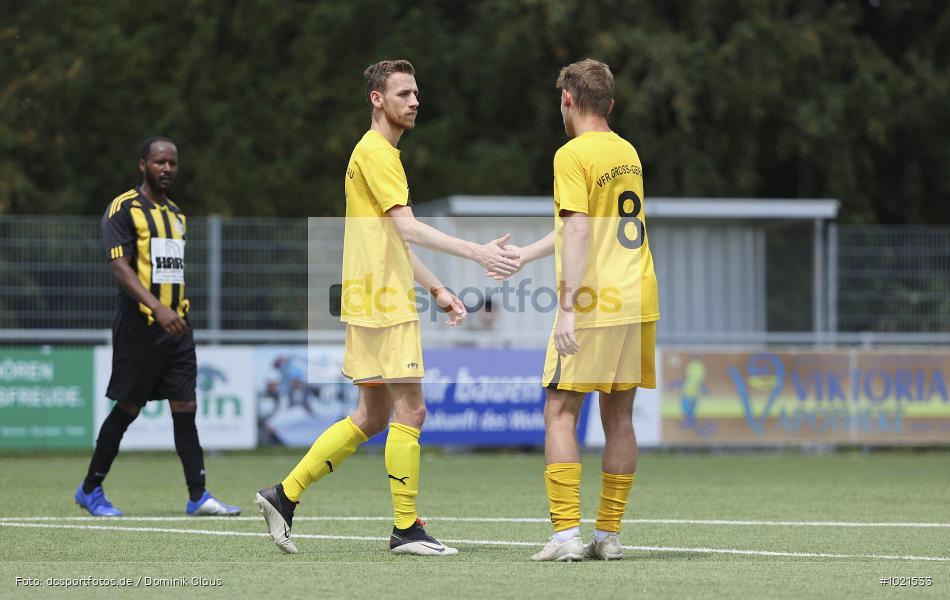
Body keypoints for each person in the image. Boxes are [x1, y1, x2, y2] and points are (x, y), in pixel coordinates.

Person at [255, 59, 520, 556]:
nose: (414, 101)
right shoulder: (378, 154)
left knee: (372, 417)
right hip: (384, 304)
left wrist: (438, 288)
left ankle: (283, 496)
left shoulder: (373, 153)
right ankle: (406, 529)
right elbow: (407, 228)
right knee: (411, 411)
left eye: (416, 93)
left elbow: (391, 240)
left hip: (368, 299)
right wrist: (477, 252)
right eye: (403, 93)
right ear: (377, 98)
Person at [490, 59, 659, 561]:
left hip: (594, 300)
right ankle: (608, 537)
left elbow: (582, 229)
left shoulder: (571, 153)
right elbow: (586, 225)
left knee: (560, 410)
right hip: (639, 293)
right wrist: (526, 254)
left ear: (567, 99)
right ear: (609, 103)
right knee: (620, 416)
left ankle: (565, 536)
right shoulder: (625, 151)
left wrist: (567, 308)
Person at [74, 137, 240, 517]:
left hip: (178, 326)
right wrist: (156, 309)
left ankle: (198, 495)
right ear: (143, 165)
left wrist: (174, 311)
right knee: (129, 408)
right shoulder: (123, 208)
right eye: (159, 162)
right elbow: (120, 268)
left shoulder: (178, 215)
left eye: (172, 163)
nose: (167, 169)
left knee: (186, 406)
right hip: (141, 327)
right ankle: (90, 489)